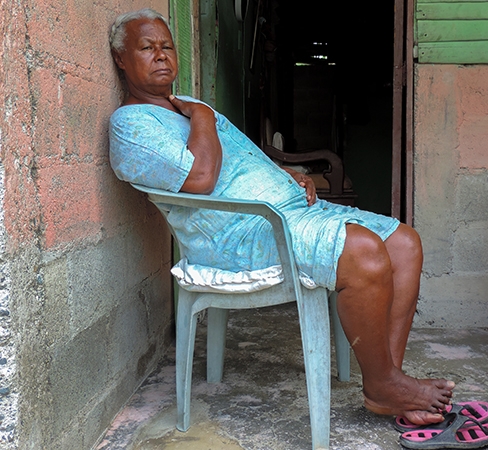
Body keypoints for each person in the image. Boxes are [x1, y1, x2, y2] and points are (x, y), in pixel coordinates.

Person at [108, 8, 455, 426]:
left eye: (167, 46)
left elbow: (241, 156)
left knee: (403, 242)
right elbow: (201, 178)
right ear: (121, 60)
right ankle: (384, 384)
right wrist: (201, 116)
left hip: (285, 213)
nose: (162, 55)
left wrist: (284, 174)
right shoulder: (131, 124)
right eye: (147, 48)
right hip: (239, 236)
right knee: (362, 250)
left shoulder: (187, 105)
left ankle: (385, 385)